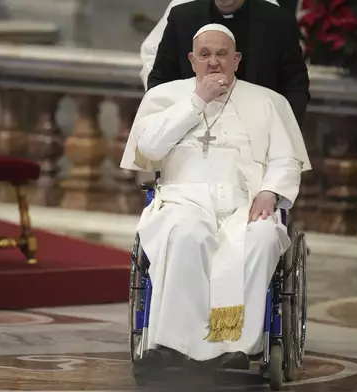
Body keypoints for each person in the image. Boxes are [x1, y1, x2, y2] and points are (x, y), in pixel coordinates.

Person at [120, 24, 310, 369]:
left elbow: (287, 158)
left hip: (245, 206)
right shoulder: (163, 98)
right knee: (186, 234)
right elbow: (148, 147)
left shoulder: (269, 102)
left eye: (221, 54)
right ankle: (172, 345)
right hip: (182, 201)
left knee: (263, 238)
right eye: (204, 54)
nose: (213, 62)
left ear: (236, 59)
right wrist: (197, 101)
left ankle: (233, 349)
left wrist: (270, 192)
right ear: (191, 60)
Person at [143, 0, 309, 126]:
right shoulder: (182, 18)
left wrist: (280, 132)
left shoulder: (278, 21)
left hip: (257, 135)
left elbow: (295, 86)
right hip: (191, 133)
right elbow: (160, 81)